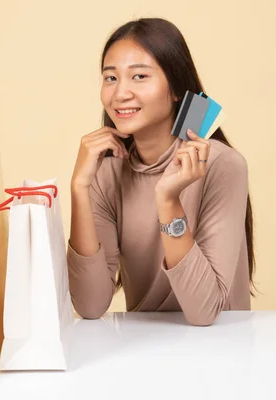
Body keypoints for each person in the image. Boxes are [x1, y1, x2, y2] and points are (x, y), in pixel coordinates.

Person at [67, 17, 255, 326]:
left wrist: (168, 201)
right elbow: (89, 305)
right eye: (110, 78)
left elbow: (204, 312)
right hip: (144, 355)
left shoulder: (223, 165)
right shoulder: (107, 170)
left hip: (222, 352)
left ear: (176, 89)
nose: (120, 93)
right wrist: (79, 188)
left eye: (139, 76)